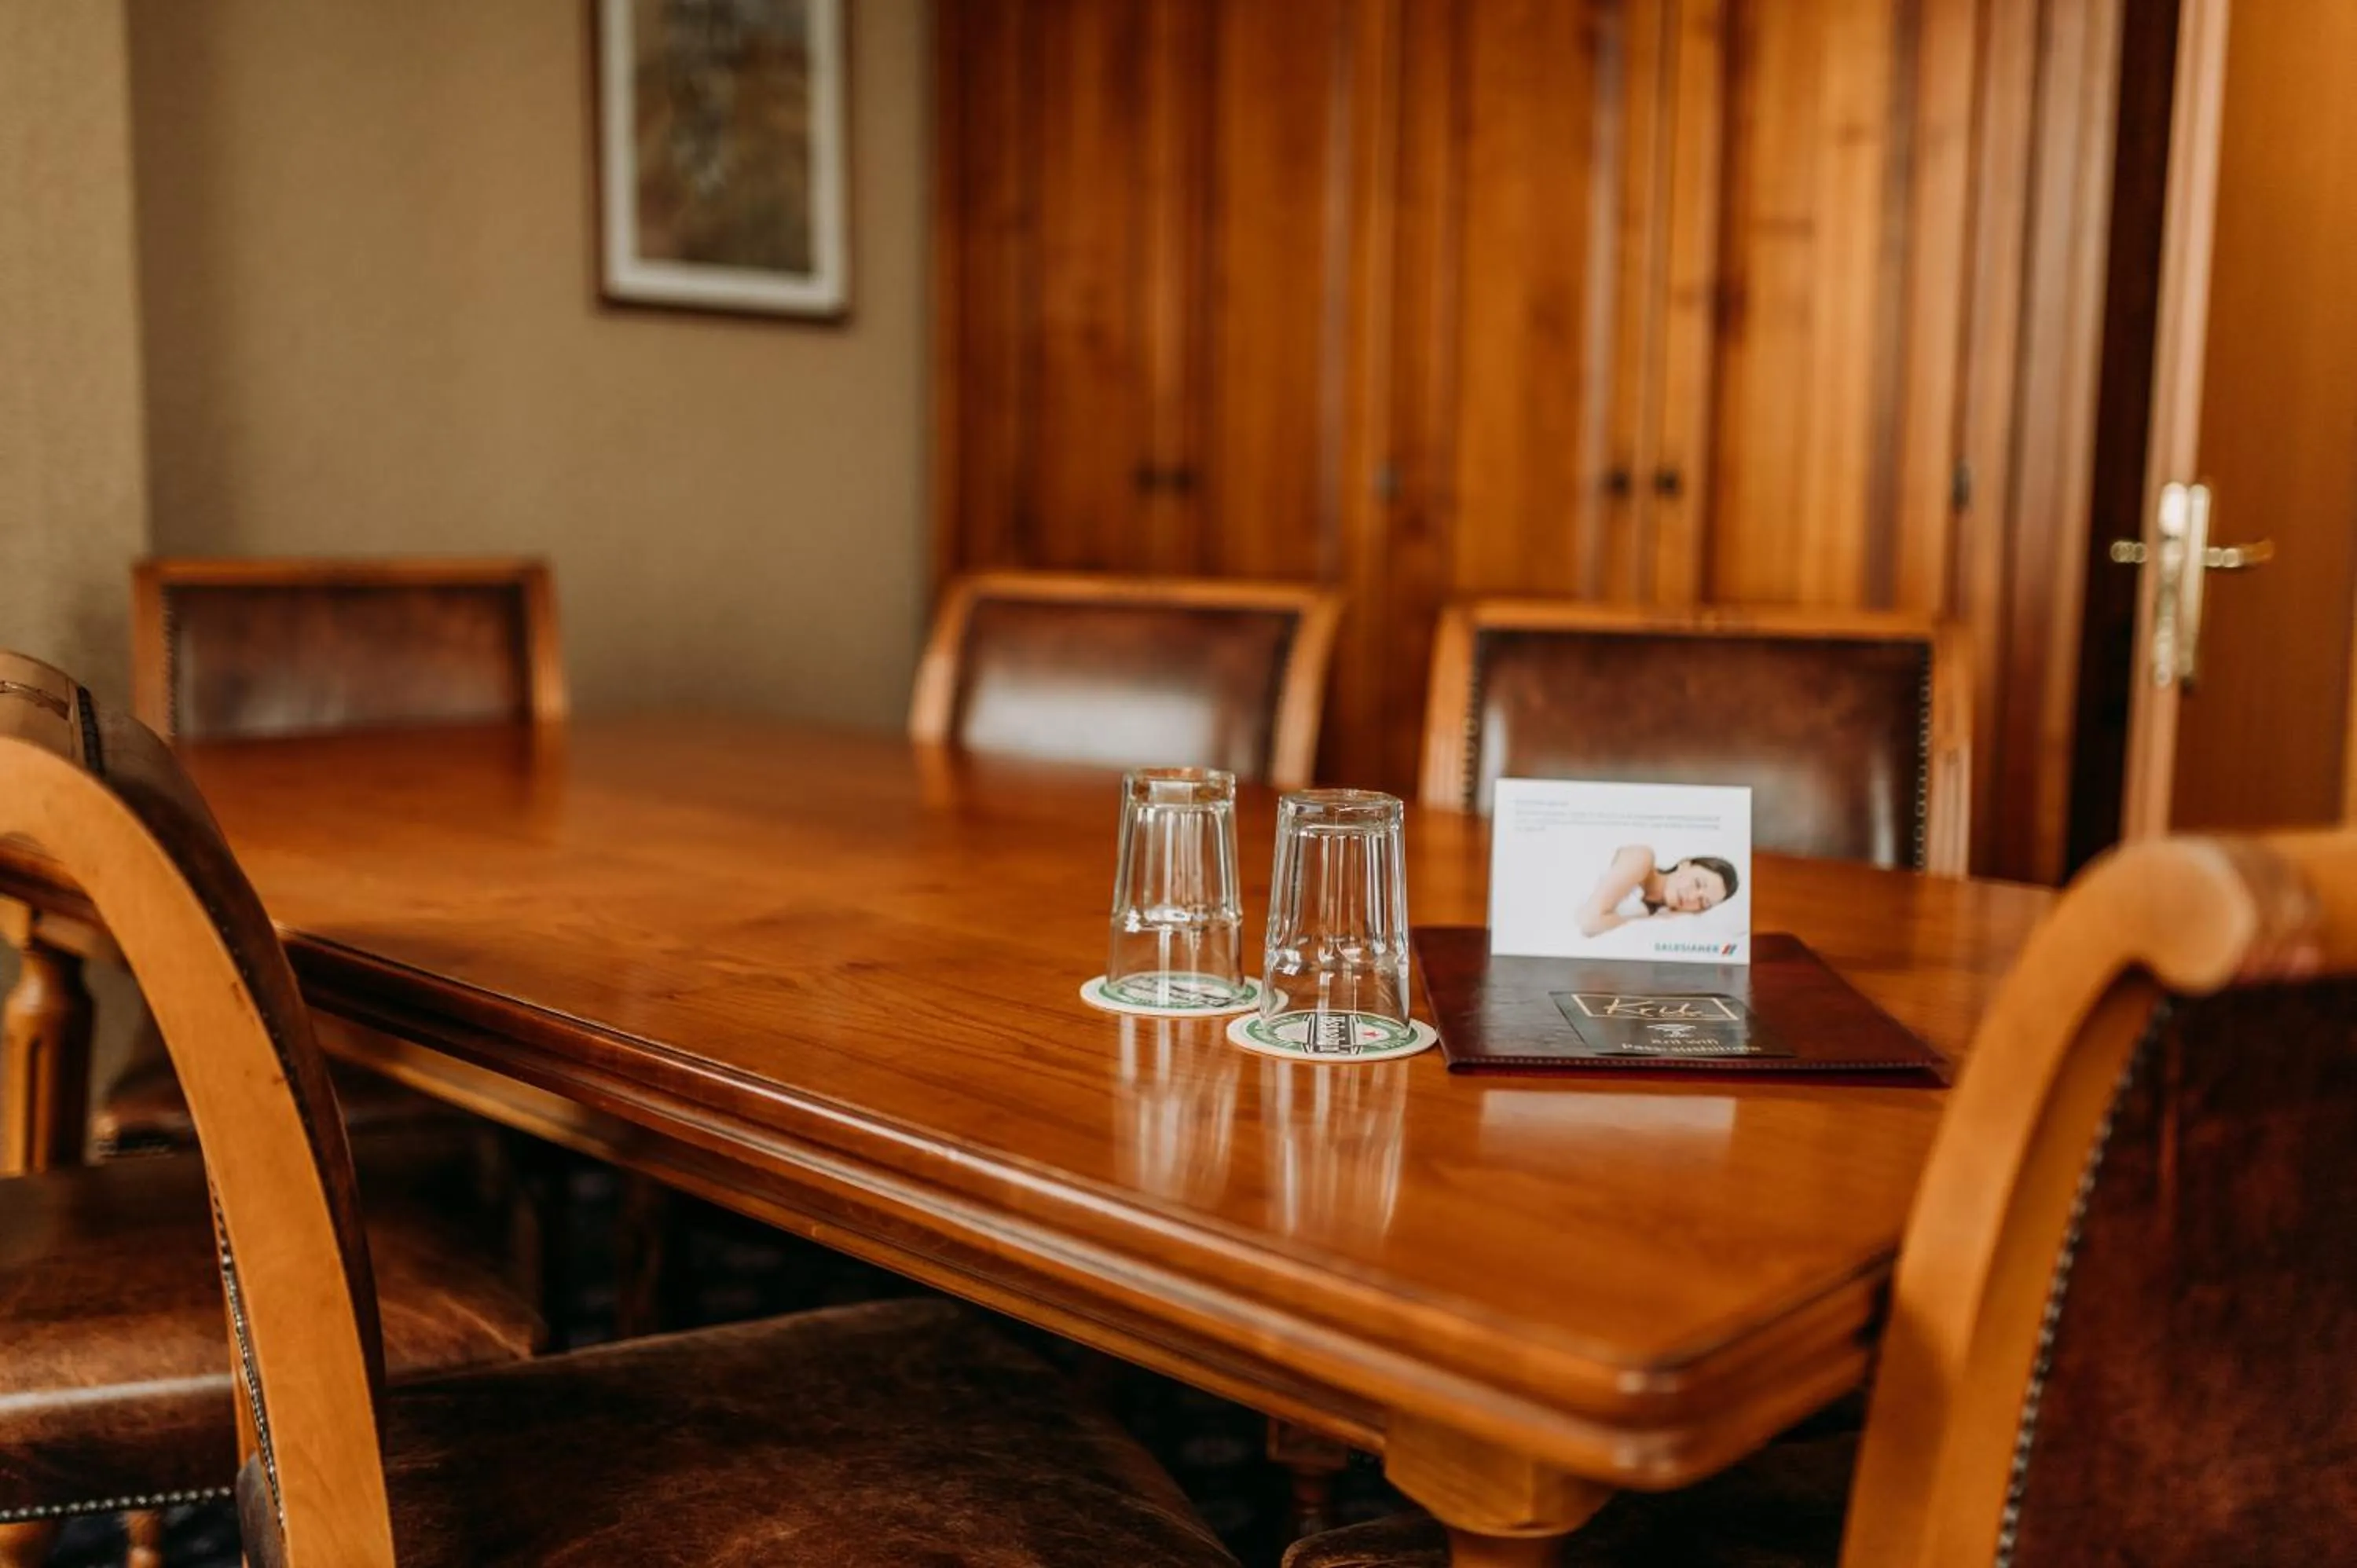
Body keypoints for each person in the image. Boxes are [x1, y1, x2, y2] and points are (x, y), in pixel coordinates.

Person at [1576, 845, 1740, 937]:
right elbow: (1589, 922)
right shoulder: (1642, 858)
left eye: (1703, 902)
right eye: (1698, 884)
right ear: (1685, 864)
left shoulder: (1650, 914)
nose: (1692, 897)